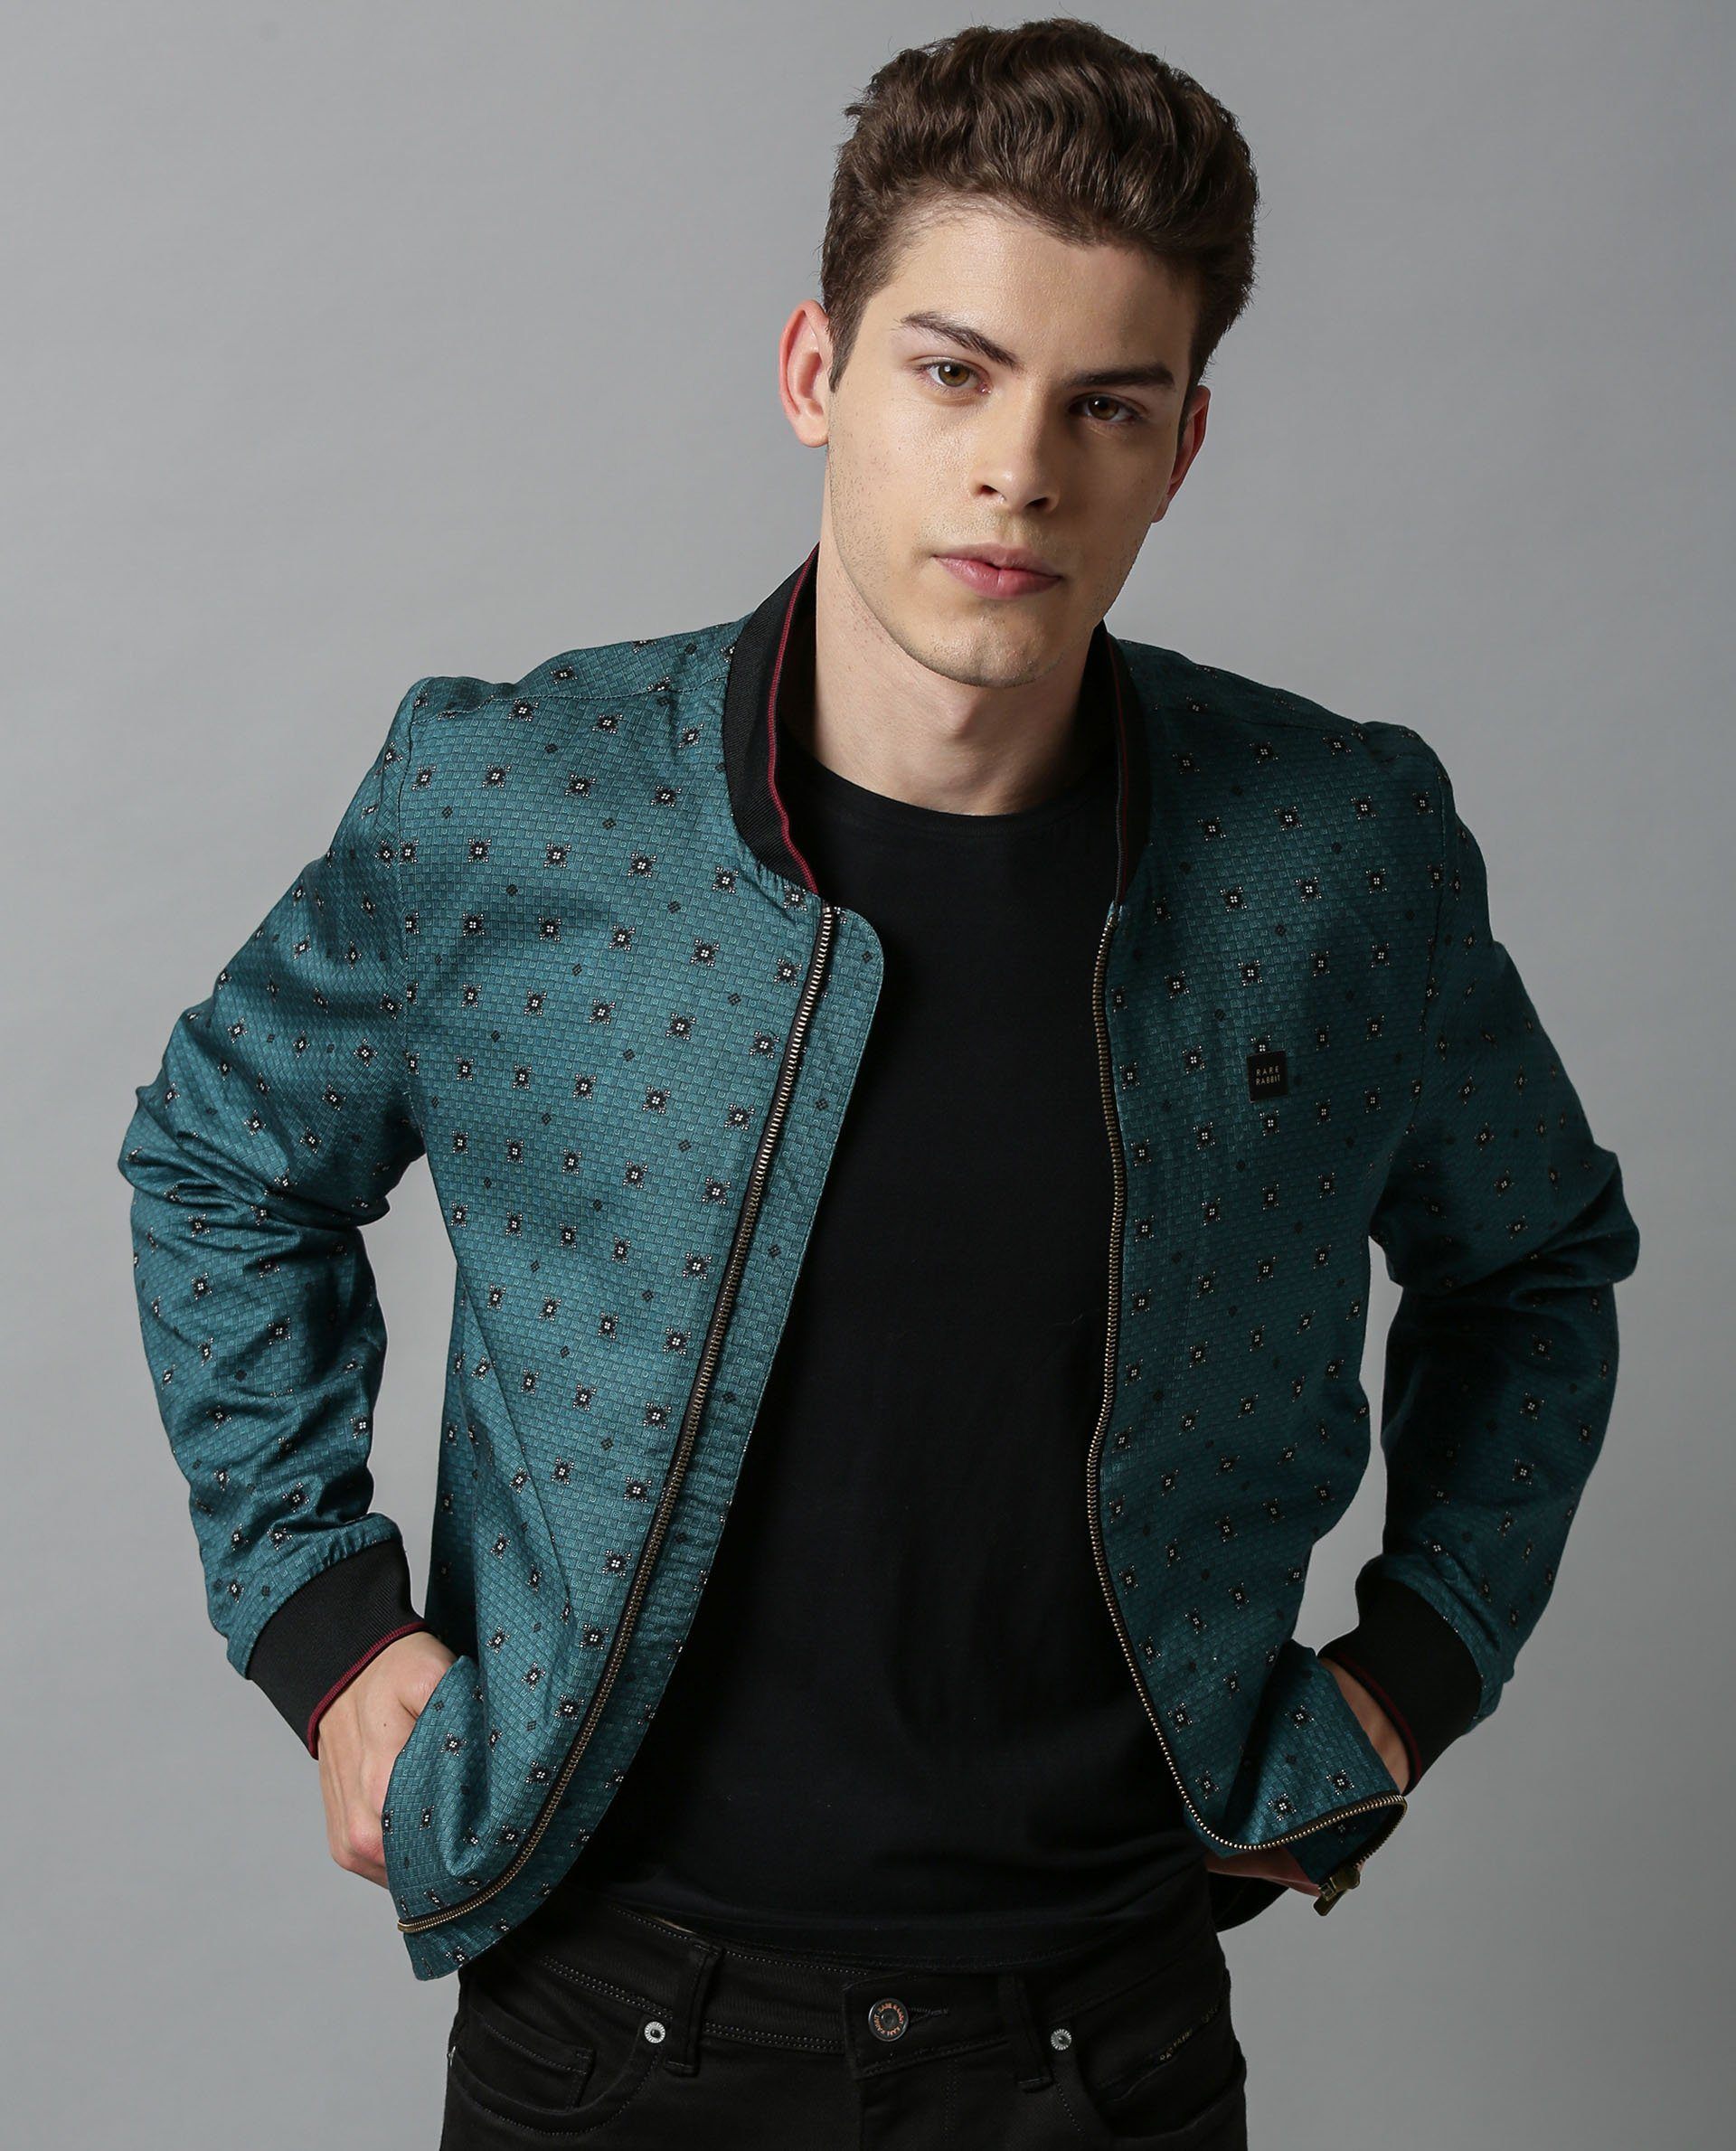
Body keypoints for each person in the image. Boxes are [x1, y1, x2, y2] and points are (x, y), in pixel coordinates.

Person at [116, 19, 1640, 2147]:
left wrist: (1418, 1666)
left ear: (1183, 446)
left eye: (1105, 404)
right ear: (816, 371)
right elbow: (222, 1153)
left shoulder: (1329, 856)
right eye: (953, 370)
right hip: (610, 2033)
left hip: (1099, 2042)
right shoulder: (517, 801)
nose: (1022, 467)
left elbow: (1536, 1262)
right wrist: (325, 1620)